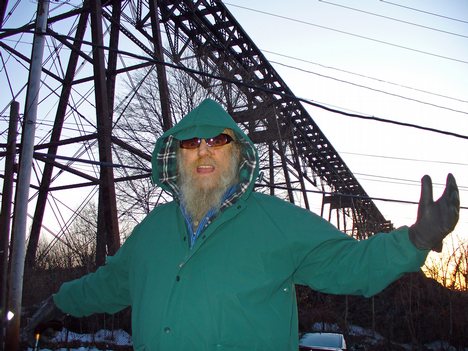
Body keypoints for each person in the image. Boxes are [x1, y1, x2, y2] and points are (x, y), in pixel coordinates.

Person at [25, 98, 460, 350]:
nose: (204, 150)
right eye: (192, 143)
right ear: (176, 157)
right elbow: (108, 283)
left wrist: (414, 240)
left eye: (218, 140)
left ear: (238, 153)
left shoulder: (277, 222)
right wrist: (58, 301)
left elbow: (350, 264)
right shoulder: (152, 232)